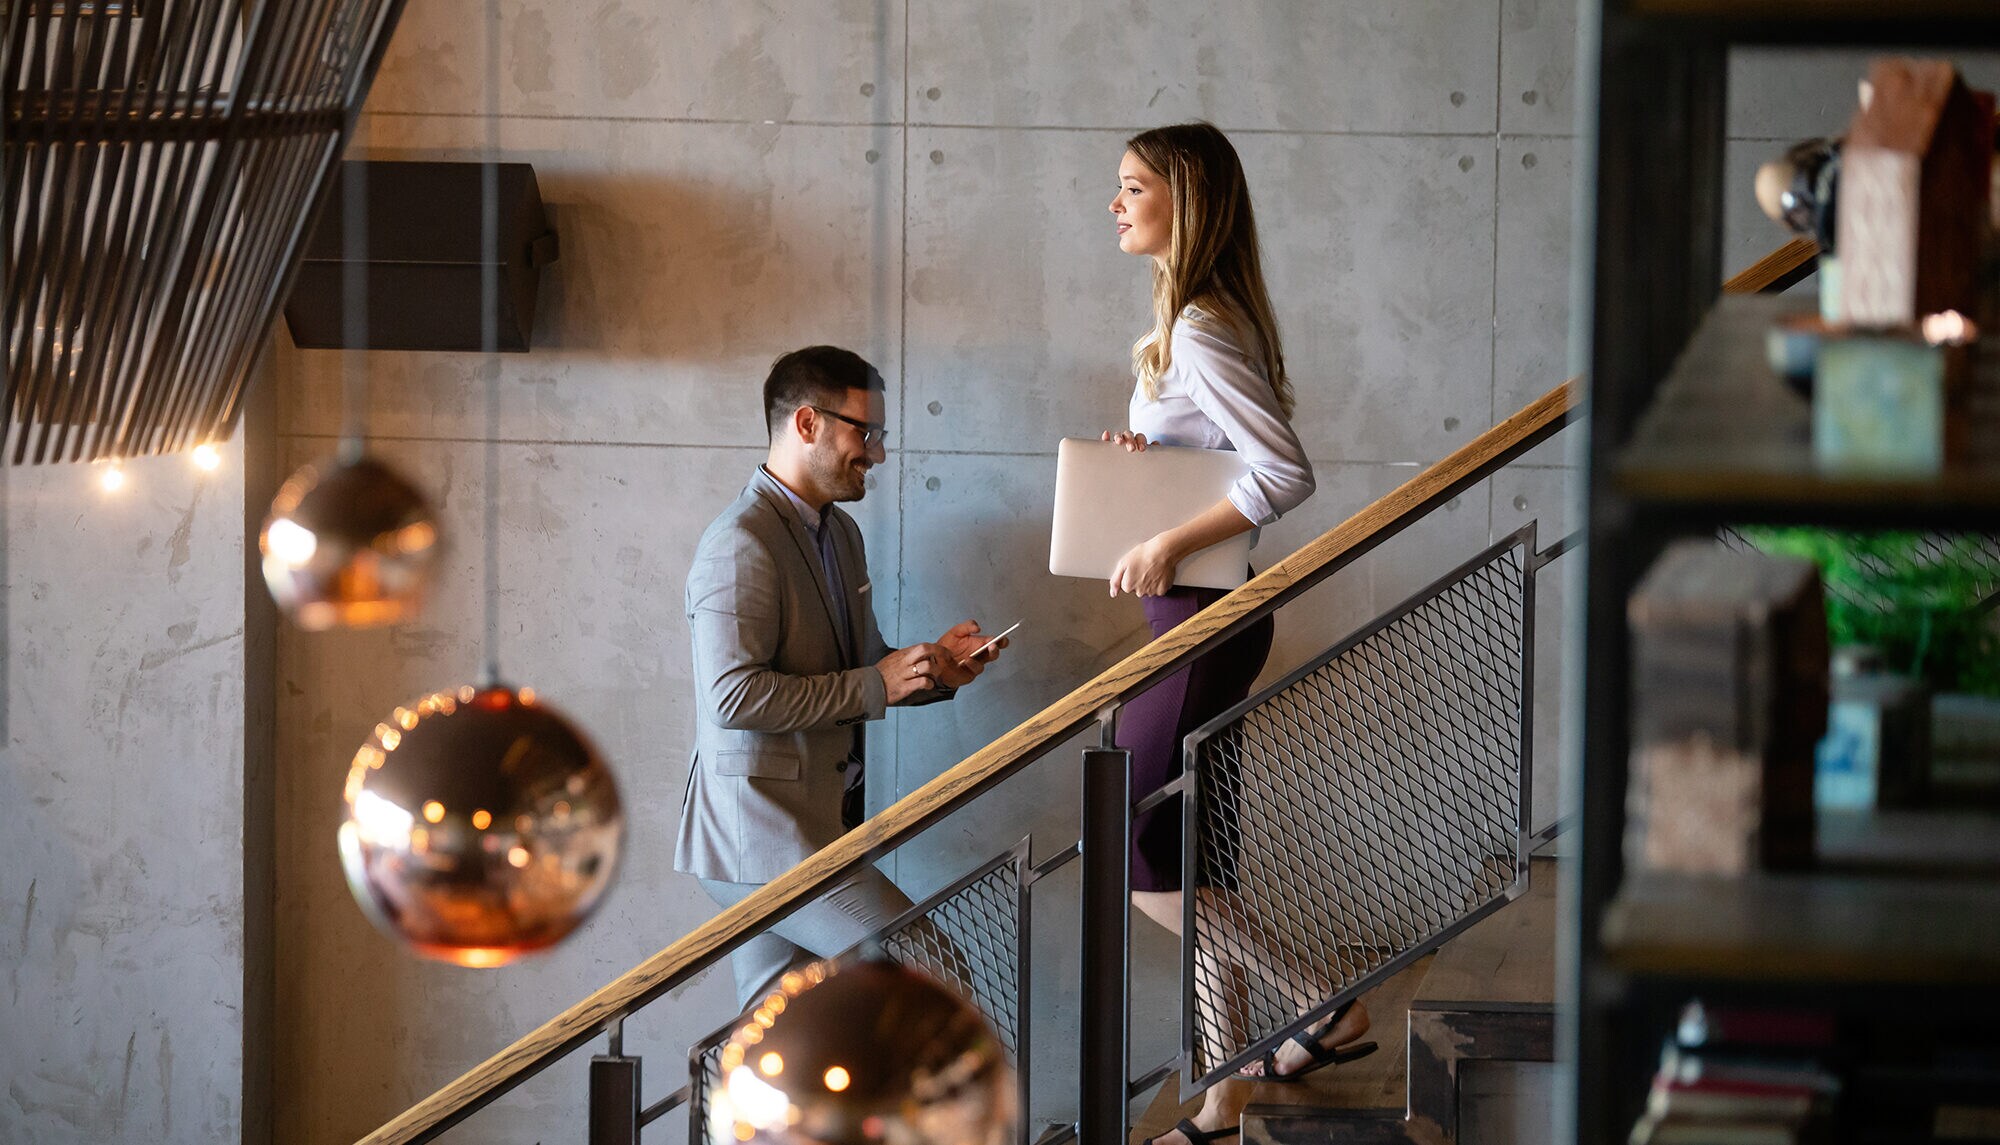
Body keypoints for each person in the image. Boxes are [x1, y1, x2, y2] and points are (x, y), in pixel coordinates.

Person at [1102, 123, 1372, 1145]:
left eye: (1134, 188)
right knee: (1192, 859)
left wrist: (1167, 531)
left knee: (1135, 852)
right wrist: (1151, 458)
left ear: (1186, 199)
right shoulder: (1191, 321)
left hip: (1202, 621)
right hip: (1201, 616)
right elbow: (1222, 454)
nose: (1116, 204)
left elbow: (1281, 472)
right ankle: (1222, 1097)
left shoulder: (1205, 326)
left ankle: (1323, 1000)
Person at [674, 345, 1007, 1011]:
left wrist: (936, 667)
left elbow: (861, 664)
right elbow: (731, 695)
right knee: (928, 969)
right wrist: (878, 681)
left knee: (775, 1026)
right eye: (866, 432)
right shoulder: (740, 542)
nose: (878, 453)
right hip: (757, 840)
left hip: (815, 826)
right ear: (807, 423)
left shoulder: (841, 534)